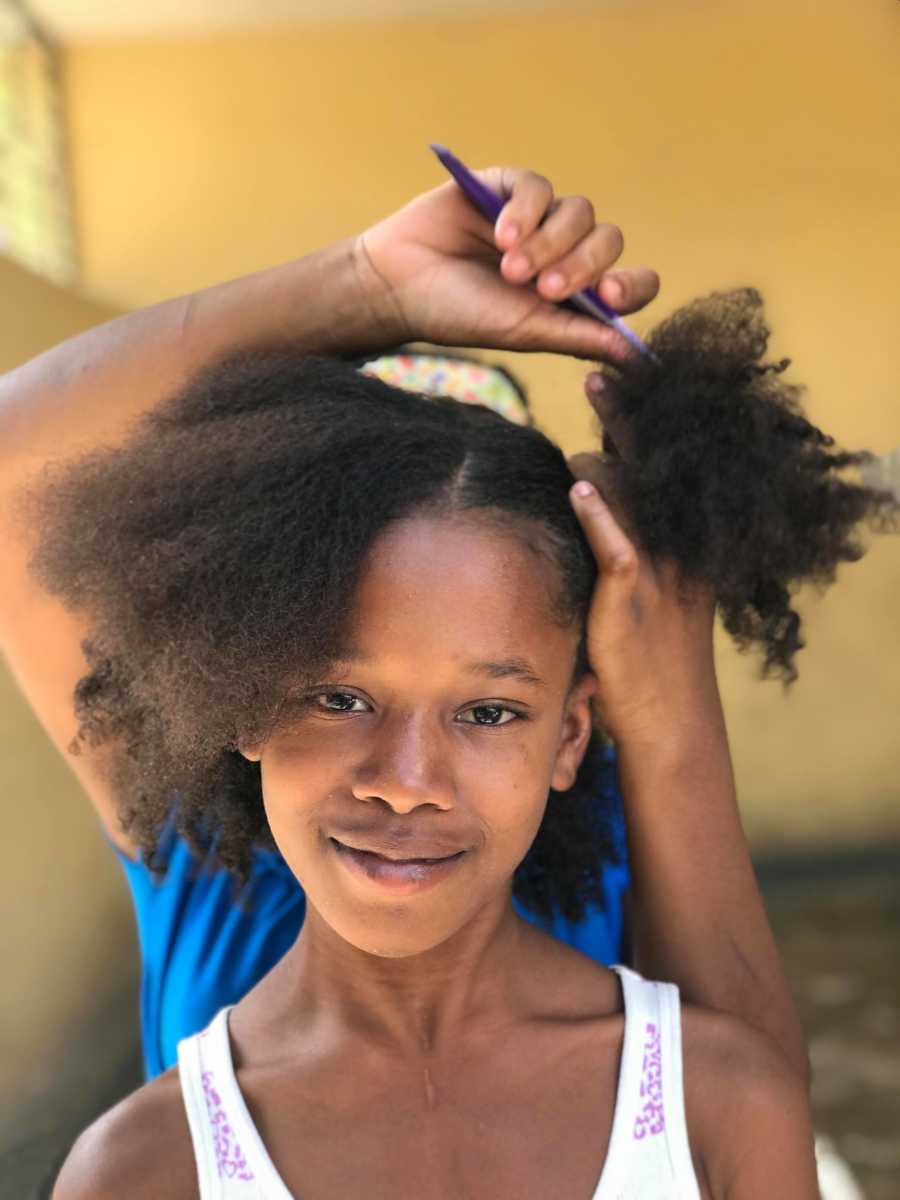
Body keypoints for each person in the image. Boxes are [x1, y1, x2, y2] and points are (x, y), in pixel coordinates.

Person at [4, 161, 887, 1196]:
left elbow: (742, 1132)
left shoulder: (616, 854)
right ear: (239, 671)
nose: (407, 777)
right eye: (340, 695)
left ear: (573, 722)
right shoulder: (198, 905)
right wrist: (362, 286)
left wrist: (670, 691)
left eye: (486, 707)